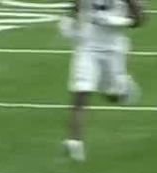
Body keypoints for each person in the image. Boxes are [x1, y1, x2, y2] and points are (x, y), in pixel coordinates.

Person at [61, 0, 145, 162]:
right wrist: (71, 24)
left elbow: (140, 20)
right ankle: (74, 142)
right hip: (87, 47)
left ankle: (123, 86)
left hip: (113, 50)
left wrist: (119, 21)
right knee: (81, 92)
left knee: (113, 96)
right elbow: (75, 9)